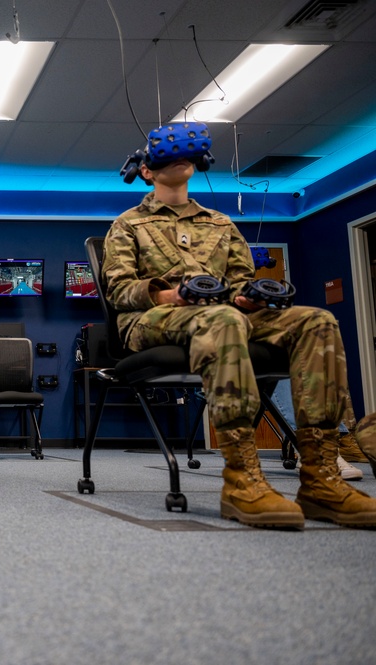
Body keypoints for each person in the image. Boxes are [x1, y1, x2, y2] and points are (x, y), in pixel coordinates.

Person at [103, 124, 376, 529]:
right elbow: (119, 290)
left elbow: (239, 282)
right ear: (146, 172)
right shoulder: (128, 225)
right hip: (151, 320)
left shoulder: (220, 223)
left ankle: (322, 477)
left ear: (196, 164)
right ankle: (241, 476)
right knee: (224, 317)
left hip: (224, 314)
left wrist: (248, 298)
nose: (179, 159)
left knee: (317, 320)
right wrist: (171, 294)